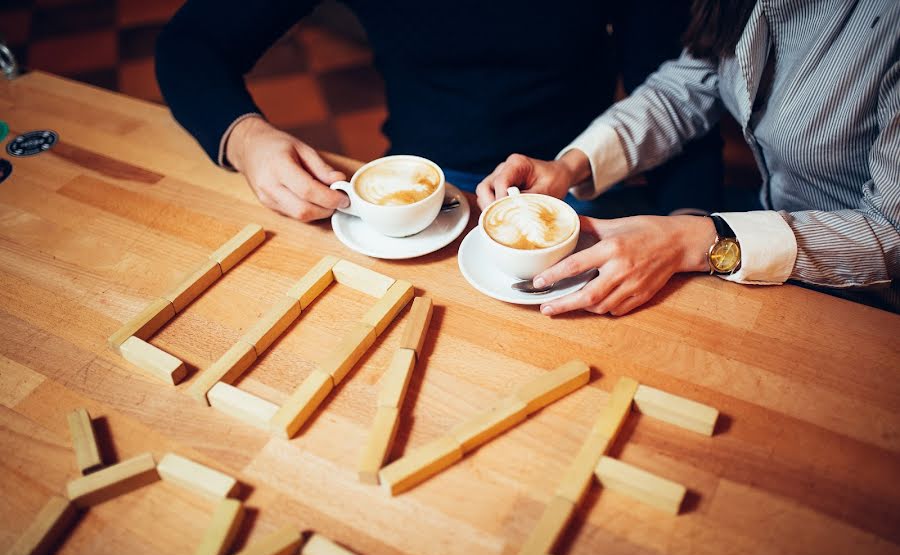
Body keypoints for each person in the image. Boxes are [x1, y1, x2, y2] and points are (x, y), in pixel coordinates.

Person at [477, 0, 900, 315]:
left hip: (870, 302)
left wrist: (695, 239)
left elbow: (892, 231)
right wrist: (568, 167)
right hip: (768, 251)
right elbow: (683, 90)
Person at [155, 0, 721, 222]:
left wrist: (687, 225)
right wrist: (245, 138)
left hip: (582, 185)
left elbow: (680, 93)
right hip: (422, 183)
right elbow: (191, 44)